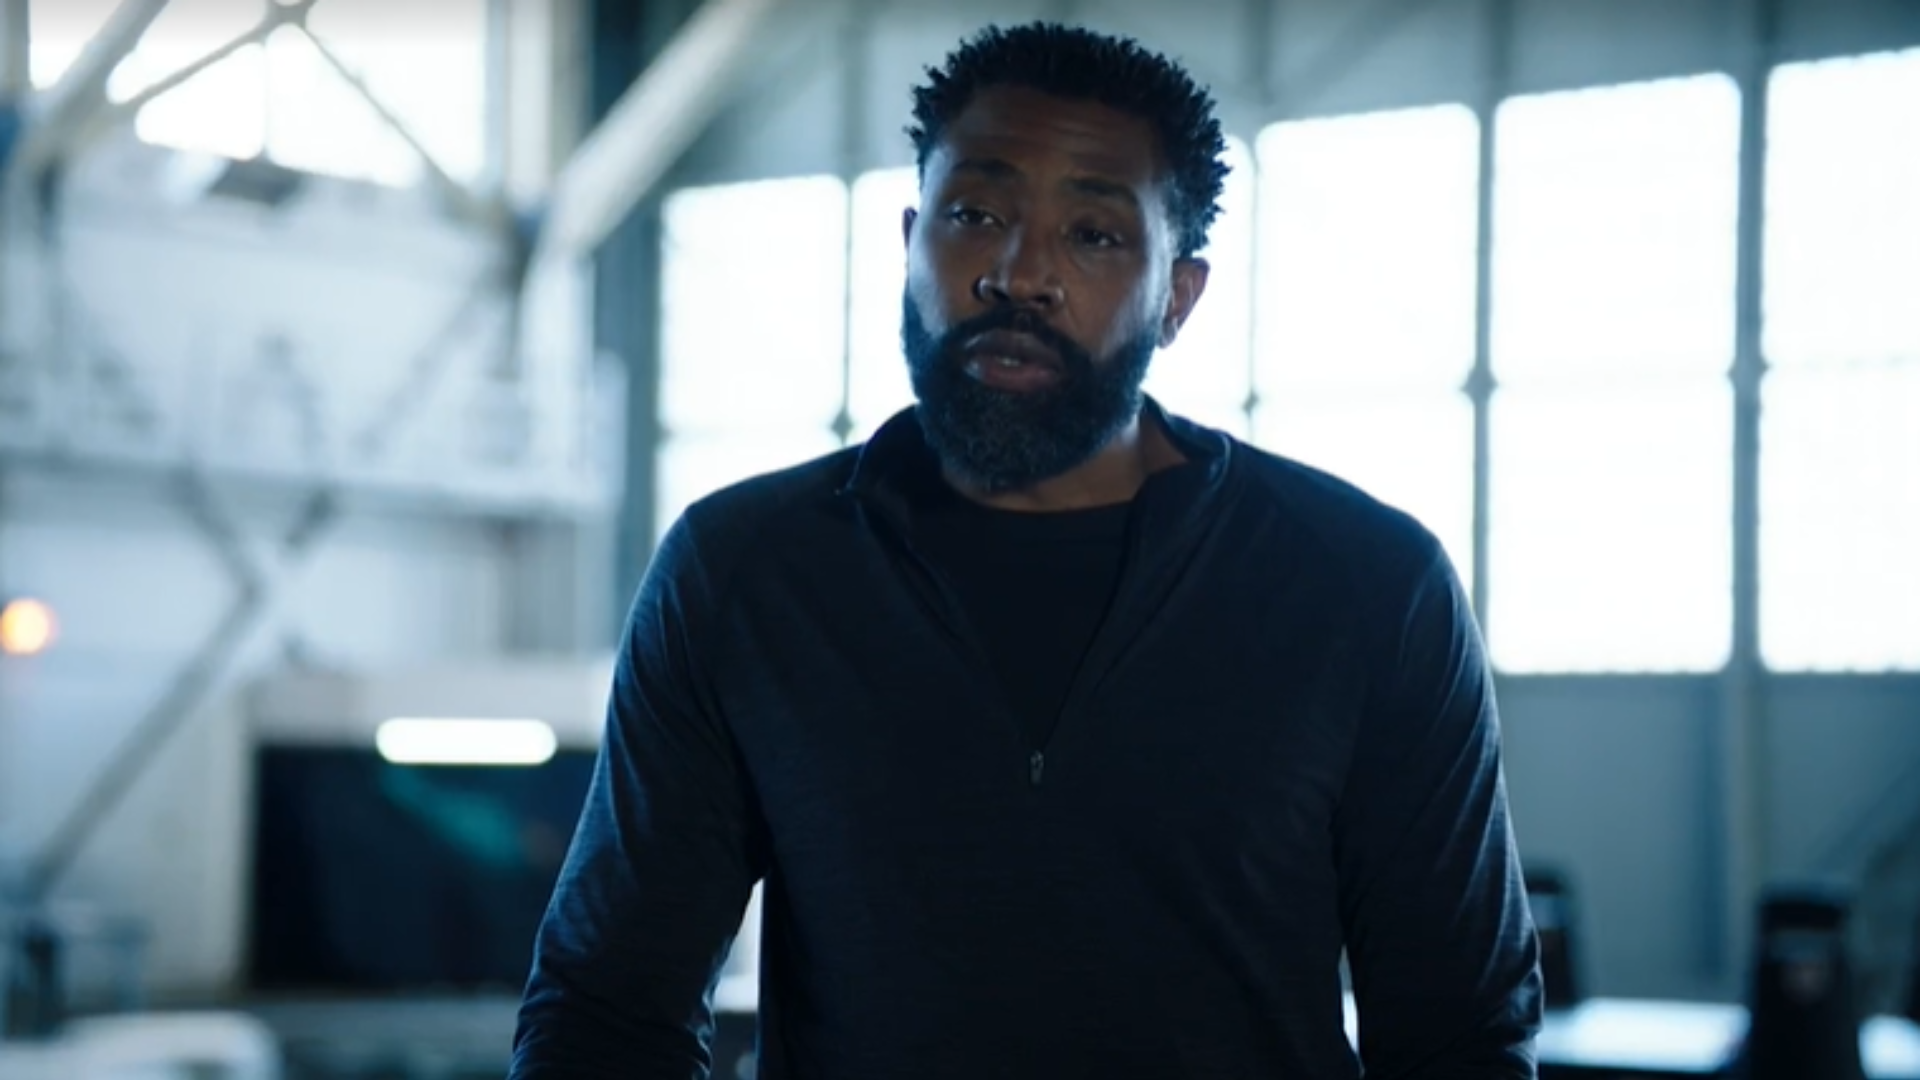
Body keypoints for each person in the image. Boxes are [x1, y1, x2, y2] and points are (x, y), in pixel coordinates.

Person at [510, 20, 1543, 1080]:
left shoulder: (1366, 586)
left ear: (1177, 298)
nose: (1020, 274)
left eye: (1094, 234)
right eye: (975, 215)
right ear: (910, 240)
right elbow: (606, 1015)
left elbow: (1461, 1039)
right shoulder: (743, 571)